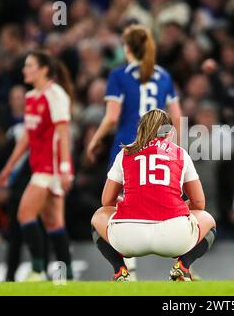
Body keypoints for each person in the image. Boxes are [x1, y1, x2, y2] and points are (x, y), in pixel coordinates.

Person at [86, 24, 182, 279]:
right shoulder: (163, 75)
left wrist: (95, 138)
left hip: (128, 147)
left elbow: (112, 115)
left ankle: (128, 272)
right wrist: (176, 149)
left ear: (126, 47)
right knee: (167, 202)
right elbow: (178, 117)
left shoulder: (119, 75)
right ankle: (184, 265)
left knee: (121, 206)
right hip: (159, 149)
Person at [91, 109, 216, 281]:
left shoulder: (126, 152)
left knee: (98, 216)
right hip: (174, 236)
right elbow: (199, 202)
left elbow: (106, 201)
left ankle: (120, 270)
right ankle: (183, 266)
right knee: (208, 220)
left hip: (129, 236)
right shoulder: (180, 153)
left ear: (141, 129)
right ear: (169, 132)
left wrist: (125, 202)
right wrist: (179, 208)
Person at [0, 51, 75, 281]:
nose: (24, 70)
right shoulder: (31, 97)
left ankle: (38, 270)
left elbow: (63, 134)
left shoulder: (56, 95)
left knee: (25, 214)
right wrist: (9, 166)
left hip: (49, 169)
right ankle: (67, 275)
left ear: (43, 69)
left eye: (29, 65)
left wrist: (64, 168)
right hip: (39, 167)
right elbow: (26, 139)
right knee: (54, 223)